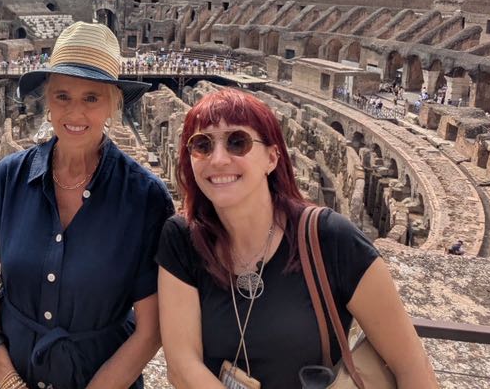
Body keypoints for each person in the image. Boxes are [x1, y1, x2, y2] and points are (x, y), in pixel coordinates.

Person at [156, 88, 437, 388]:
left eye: (238, 142)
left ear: (272, 158)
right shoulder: (182, 239)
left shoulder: (332, 239)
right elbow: (182, 366)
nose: (219, 158)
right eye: (202, 145)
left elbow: (410, 363)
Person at [0, 22, 174, 389]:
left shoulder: (145, 198)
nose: (75, 113)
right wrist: (6, 375)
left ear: (113, 103)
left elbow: (151, 328)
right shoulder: (9, 177)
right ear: (48, 100)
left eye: (91, 98)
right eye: (63, 96)